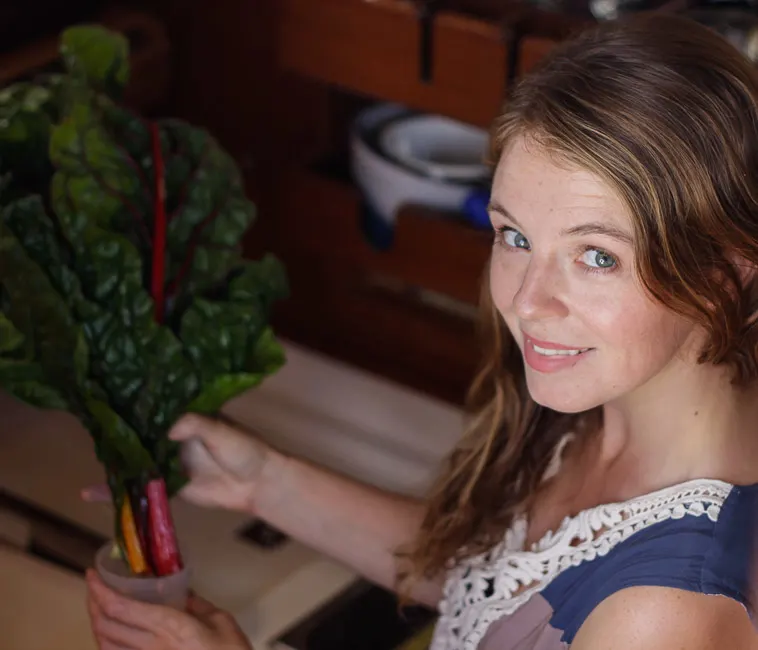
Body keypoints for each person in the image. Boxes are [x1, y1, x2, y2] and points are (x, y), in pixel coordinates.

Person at [84, 13, 758, 650]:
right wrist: (264, 481)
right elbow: (492, 580)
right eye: (515, 235)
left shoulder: (667, 614)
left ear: (727, 274)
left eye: (596, 256)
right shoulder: (607, 400)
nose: (526, 302)